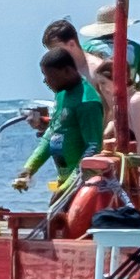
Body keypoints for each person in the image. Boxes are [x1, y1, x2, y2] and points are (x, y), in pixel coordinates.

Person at [17, 24, 108, 197]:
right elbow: (52, 134)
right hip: (64, 178)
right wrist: (29, 169)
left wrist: (67, 188)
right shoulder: (62, 94)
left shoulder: (87, 101)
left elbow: (93, 148)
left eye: (49, 76)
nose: (46, 81)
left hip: (83, 185)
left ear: (67, 71)